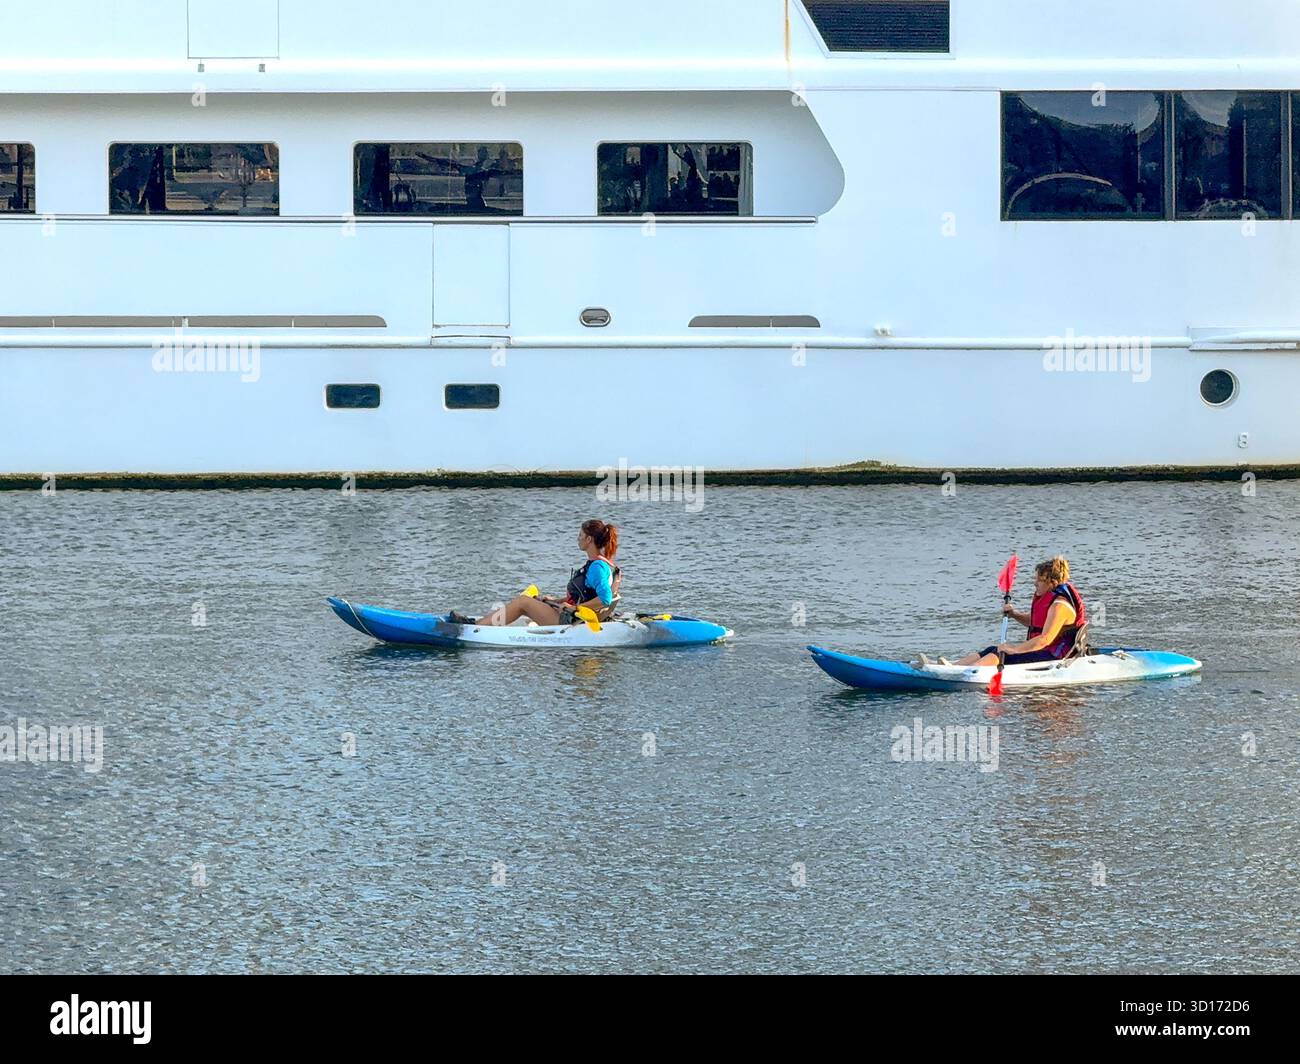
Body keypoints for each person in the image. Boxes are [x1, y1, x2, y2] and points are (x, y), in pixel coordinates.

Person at [452, 520, 621, 627]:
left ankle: (476, 626)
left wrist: (574, 607)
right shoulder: (601, 564)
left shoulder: (597, 567)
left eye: (580, 536)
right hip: (574, 615)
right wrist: (556, 601)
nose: (578, 539)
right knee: (533, 600)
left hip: (573, 620)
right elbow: (586, 595)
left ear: (589, 540)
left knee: (522, 602)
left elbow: (604, 599)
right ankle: (486, 622)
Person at [954, 556, 1086, 667]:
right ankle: (953, 667)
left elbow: (1044, 640)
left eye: (1039, 580)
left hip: (1054, 656)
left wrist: (1014, 650)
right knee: (992, 649)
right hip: (1046, 651)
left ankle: (966, 672)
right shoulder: (1053, 599)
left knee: (1001, 654)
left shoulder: (1060, 606)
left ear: (1052, 583)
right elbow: (1035, 623)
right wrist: (1014, 614)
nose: (1035, 584)